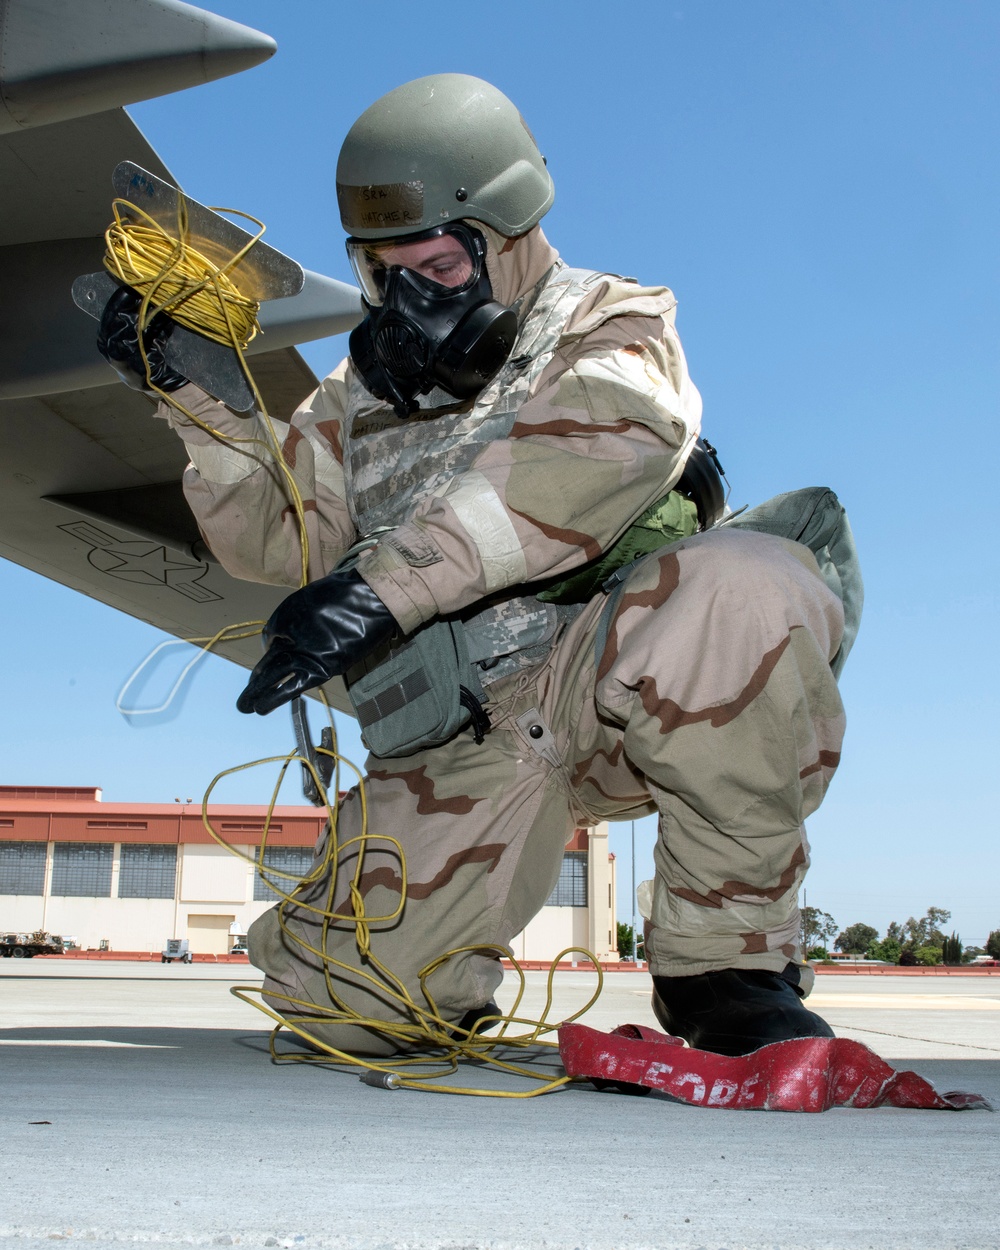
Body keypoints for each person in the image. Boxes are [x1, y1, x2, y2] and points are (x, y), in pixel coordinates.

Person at [98, 74, 850, 1058]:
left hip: (611, 684)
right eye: (385, 273)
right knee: (347, 1009)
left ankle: (725, 967)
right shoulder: (356, 394)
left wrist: (384, 586)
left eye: (441, 266)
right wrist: (203, 405)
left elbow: (597, 449)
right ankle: (431, 976)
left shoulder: (610, 319)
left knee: (748, 582)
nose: (412, 297)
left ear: (507, 234)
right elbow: (274, 539)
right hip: (462, 737)